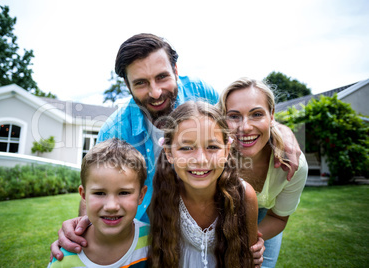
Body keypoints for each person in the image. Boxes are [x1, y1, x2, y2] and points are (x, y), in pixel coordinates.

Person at [51, 33, 301, 265]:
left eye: (162, 77)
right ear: (127, 86)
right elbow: (97, 181)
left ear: (176, 71)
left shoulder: (202, 93)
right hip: (167, 230)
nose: (156, 92)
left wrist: (282, 131)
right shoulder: (114, 131)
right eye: (140, 83)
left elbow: (244, 117)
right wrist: (81, 228)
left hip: (235, 211)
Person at [148, 101, 258, 268]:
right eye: (186, 148)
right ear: (169, 153)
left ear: (227, 150)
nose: (200, 159)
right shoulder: (160, 195)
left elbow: (249, 261)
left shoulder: (244, 196)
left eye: (212, 146)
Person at [217, 77, 308, 268]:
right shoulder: (216, 155)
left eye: (257, 114)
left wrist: (249, 241)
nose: (245, 127)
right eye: (233, 116)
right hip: (224, 215)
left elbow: (278, 217)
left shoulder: (293, 164)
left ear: (272, 115)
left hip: (268, 217)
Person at [48, 138, 149, 267]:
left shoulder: (155, 243)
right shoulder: (64, 257)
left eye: (124, 193)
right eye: (99, 193)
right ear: (84, 195)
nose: (111, 206)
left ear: (141, 195)